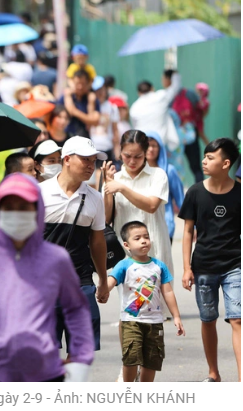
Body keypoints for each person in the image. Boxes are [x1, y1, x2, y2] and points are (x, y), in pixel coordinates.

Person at [0, 173, 94, 382]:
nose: (16, 214)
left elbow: (76, 309)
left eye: (23, 207)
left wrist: (81, 360)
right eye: (9, 207)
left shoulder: (56, 259)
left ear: (37, 210)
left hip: (44, 374)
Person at [39, 136, 109, 355]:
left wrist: (104, 281)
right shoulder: (39, 192)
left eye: (94, 160)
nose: (91, 165)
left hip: (81, 282)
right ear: (67, 159)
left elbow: (97, 242)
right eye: (85, 159)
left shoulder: (95, 198)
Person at [179, 138, 241, 382]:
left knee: (237, 318)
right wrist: (186, 268)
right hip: (203, 267)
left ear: (226, 163)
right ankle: (213, 373)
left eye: (210, 158)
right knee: (208, 319)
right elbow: (186, 232)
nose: (204, 161)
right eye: (204, 157)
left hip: (234, 266)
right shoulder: (195, 192)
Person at [108, 221, 185, 382]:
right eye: (138, 238)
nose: (144, 240)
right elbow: (111, 280)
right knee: (131, 359)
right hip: (131, 321)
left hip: (155, 322)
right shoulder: (124, 265)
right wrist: (102, 291)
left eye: (146, 237)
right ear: (127, 245)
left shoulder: (158, 266)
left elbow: (168, 291)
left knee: (152, 361)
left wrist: (176, 316)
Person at [102, 130, 174, 281]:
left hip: (154, 249)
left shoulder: (158, 175)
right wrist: (108, 187)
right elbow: (106, 218)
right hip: (126, 254)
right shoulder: (114, 178)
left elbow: (152, 205)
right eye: (127, 156)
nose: (132, 161)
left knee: (159, 301)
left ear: (146, 153)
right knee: (131, 303)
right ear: (120, 151)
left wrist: (122, 188)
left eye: (138, 156)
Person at [145, 131, 184, 243]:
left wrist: (193, 226)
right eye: (148, 145)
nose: (151, 149)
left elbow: (181, 201)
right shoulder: (136, 171)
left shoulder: (169, 171)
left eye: (154, 145)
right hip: (141, 229)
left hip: (165, 226)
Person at [130, 70, 181, 152]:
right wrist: (175, 74)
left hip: (143, 144)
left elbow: (134, 126)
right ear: (152, 88)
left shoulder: (134, 108)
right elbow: (175, 87)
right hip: (160, 143)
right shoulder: (160, 97)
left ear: (139, 93)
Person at [57, 70, 100, 138]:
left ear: (88, 84)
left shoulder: (91, 98)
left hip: (84, 137)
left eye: (83, 84)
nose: (80, 87)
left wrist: (75, 111)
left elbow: (95, 121)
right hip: (66, 136)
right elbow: (62, 114)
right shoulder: (66, 96)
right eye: (77, 83)